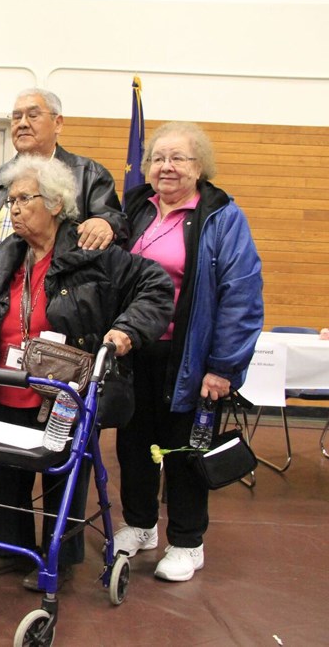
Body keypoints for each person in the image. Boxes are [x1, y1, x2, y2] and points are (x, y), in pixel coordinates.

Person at [0, 155, 173, 590]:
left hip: (63, 390)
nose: (13, 208)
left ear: (54, 204)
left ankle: (58, 555)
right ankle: (4, 546)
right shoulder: (5, 256)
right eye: (9, 200)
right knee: (4, 468)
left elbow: (157, 288)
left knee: (59, 474)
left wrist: (125, 330)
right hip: (5, 382)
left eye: (23, 199)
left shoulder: (92, 254)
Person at [112, 122, 263, 582]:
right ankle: (140, 527)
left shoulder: (221, 215)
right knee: (134, 445)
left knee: (184, 450)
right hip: (136, 351)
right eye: (158, 158)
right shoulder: (136, 208)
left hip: (192, 358)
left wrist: (222, 367)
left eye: (178, 158)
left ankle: (186, 541)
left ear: (200, 167)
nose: (166, 167)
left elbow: (242, 294)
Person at [0, 88, 128, 305]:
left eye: (33, 115)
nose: (22, 123)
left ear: (58, 123)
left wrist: (106, 222)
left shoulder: (89, 176)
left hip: (62, 306)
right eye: (16, 117)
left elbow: (116, 224)